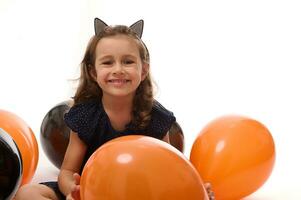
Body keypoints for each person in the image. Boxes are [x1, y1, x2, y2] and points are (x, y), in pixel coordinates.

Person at [14, 18, 193, 200]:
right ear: (93, 72)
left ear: (143, 70)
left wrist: (196, 188)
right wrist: (73, 190)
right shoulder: (85, 117)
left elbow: (171, 169)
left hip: (138, 193)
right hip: (91, 191)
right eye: (108, 62)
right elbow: (67, 171)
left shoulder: (155, 117)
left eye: (128, 62)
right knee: (26, 193)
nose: (118, 69)